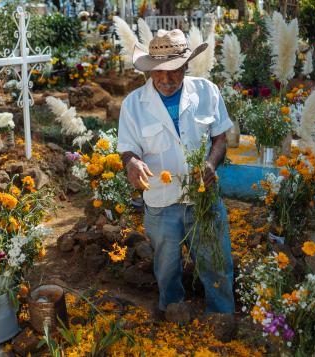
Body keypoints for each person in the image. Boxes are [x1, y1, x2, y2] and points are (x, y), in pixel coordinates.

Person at [117, 29, 235, 316]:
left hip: (203, 199)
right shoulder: (133, 104)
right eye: (160, 72)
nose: (167, 80)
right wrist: (131, 163)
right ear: (150, 69)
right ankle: (173, 318)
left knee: (216, 265)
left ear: (186, 66)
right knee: (167, 269)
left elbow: (221, 137)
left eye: (175, 71)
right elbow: (127, 149)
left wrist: (210, 164)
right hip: (161, 202)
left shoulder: (207, 91)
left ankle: (221, 319)